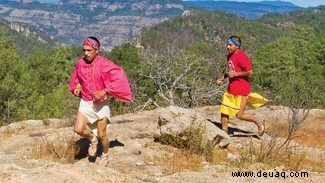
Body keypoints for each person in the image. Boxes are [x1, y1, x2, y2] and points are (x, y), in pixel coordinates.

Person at [69, 36, 132, 166]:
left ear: (96, 50)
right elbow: (77, 78)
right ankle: (93, 139)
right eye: (84, 50)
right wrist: (77, 86)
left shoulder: (104, 63)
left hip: (101, 104)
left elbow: (119, 76)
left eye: (89, 50)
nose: (85, 53)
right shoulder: (81, 63)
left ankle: (105, 155)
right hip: (86, 102)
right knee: (78, 129)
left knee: (102, 133)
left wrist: (105, 91)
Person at [216, 35, 266, 137]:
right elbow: (231, 71)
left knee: (240, 115)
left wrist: (235, 74)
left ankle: (259, 122)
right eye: (227, 45)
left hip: (242, 90)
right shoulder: (229, 56)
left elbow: (250, 71)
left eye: (230, 45)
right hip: (231, 89)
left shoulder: (242, 56)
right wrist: (222, 78)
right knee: (224, 110)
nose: (228, 47)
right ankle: (224, 132)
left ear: (237, 46)